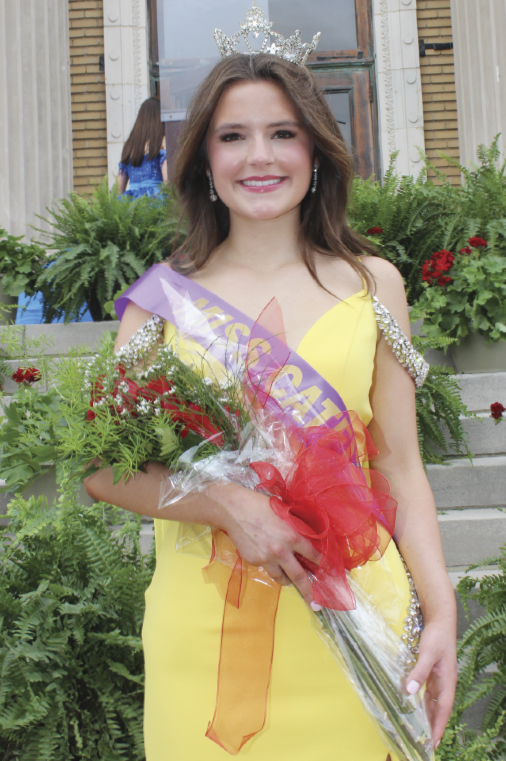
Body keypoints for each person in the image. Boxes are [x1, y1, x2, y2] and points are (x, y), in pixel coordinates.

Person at [85, 20, 457, 761]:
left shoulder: (372, 284)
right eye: (233, 137)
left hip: (359, 613)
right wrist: (227, 504)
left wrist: (441, 609)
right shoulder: (162, 301)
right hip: (201, 632)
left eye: (283, 133)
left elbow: (400, 467)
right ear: (204, 159)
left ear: (316, 151)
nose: (259, 156)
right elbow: (101, 468)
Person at [117, 97, 167, 198]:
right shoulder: (162, 141)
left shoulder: (129, 145)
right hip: (154, 199)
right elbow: (167, 180)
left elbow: (118, 189)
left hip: (132, 201)